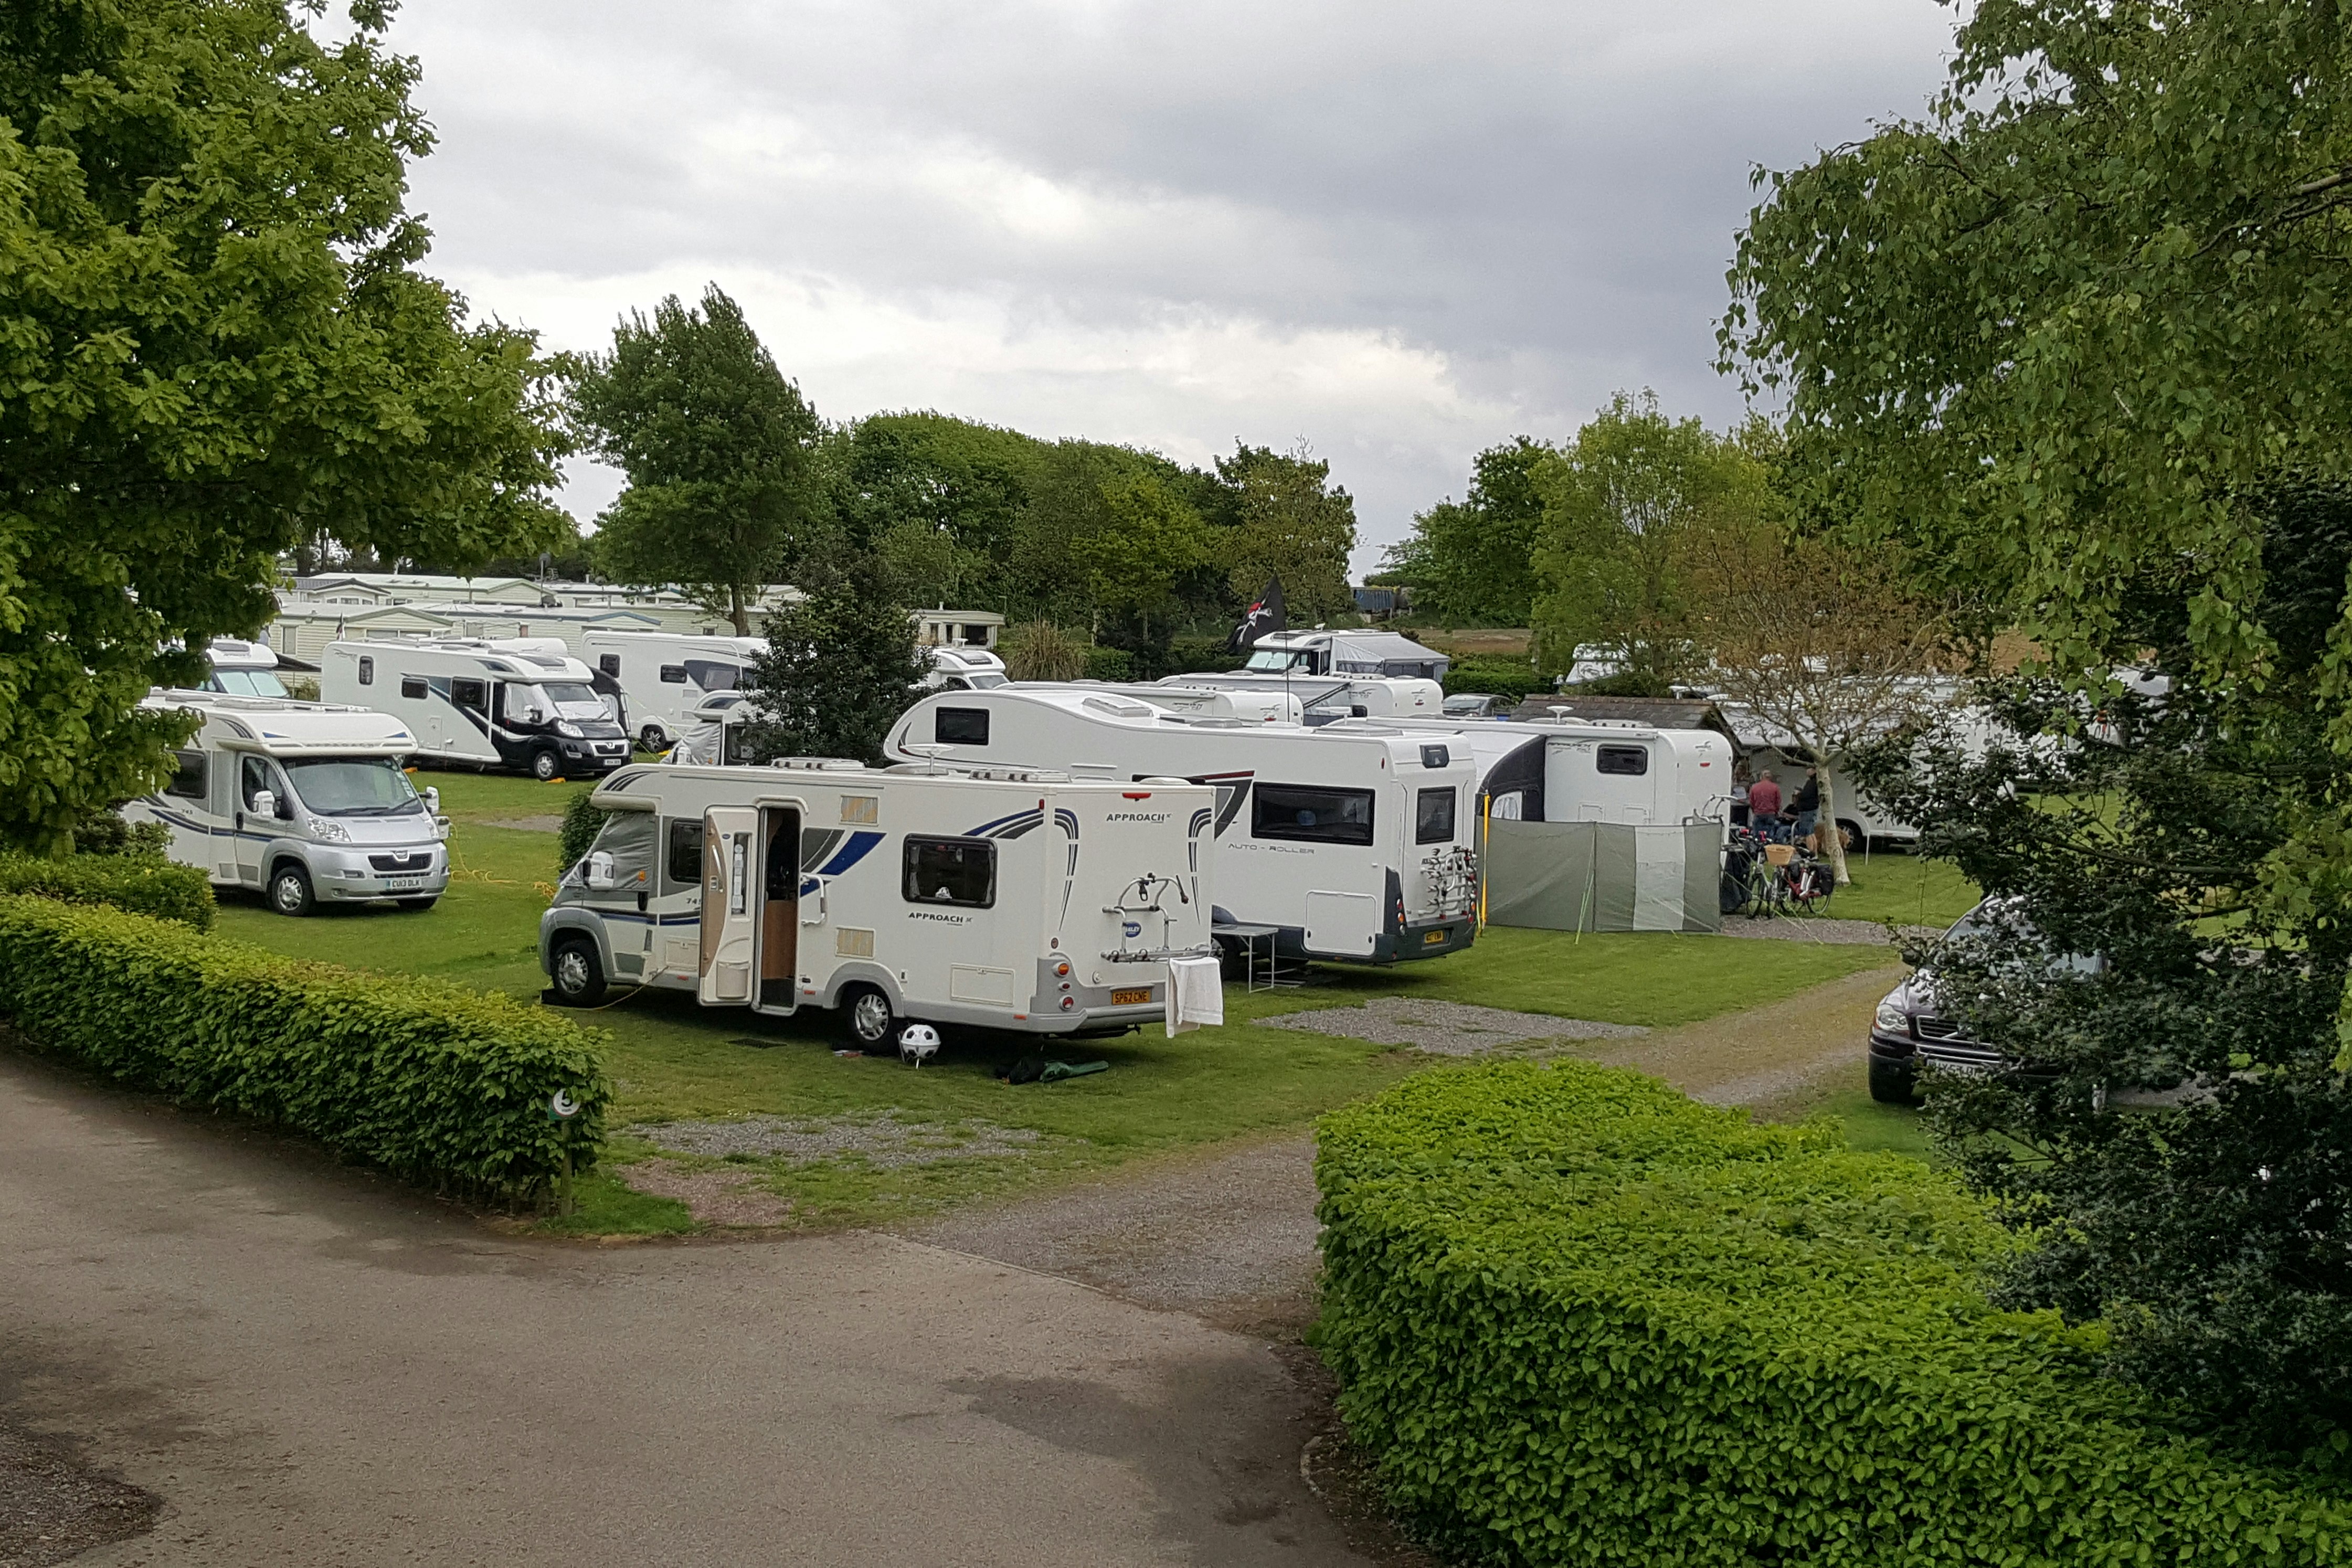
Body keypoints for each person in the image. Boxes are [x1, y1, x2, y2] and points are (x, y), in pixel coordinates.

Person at [1747, 770, 1784, 840]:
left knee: (1757, 835)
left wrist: (1755, 810)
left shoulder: (1754, 787)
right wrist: (1776, 812)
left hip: (1758, 813)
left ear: (1761, 777)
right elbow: (1778, 802)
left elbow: (1751, 801)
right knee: (1769, 835)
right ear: (1770, 778)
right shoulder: (1775, 787)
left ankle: (1756, 848)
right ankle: (1768, 848)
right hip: (1770, 814)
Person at [1793, 766, 1822, 847]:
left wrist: (1798, 793)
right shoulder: (1816, 781)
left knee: (1807, 833)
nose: (1807, 771)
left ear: (1814, 770)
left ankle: (1809, 853)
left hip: (1807, 810)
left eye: (1808, 769)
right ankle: (1814, 855)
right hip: (1812, 809)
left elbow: (1807, 795)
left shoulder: (1812, 783)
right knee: (1811, 833)